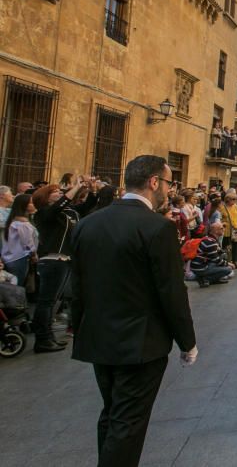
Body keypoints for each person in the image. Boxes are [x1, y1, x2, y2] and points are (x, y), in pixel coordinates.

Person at [70, 155, 197, 467]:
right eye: (168, 182)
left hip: (98, 337)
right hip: (141, 342)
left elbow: (78, 287)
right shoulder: (157, 228)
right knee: (128, 422)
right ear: (154, 182)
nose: (169, 190)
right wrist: (187, 342)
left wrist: (80, 326)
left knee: (112, 413)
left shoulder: (87, 224)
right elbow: (171, 291)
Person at [31, 177, 97, 352]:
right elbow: (60, 205)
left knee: (52, 301)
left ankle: (48, 336)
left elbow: (87, 205)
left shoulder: (68, 212)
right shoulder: (44, 213)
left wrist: (90, 189)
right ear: (44, 197)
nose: (59, 193)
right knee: (47, 301)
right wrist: (75, 187)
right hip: (52, 260)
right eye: (54, 192)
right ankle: (42, 339)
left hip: (65, 260)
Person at [2, 193, 37, 286]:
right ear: (23, 205)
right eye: (31, 203)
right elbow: (28, 243)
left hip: (9, 257)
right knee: (16, 287)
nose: (34, 205)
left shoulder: (13, 221)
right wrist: (34, 255)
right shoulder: (23, 224)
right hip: (19, 258)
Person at [190, 222, 234, 287]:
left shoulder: (209, 238)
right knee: (228, 269)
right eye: (221, 228)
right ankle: (205, 279)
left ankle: (212, 279)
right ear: (216, 231)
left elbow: (217, 255)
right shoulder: (211, 242)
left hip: (199, 265)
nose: (224, 229)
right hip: (200, 268)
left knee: (223, 257)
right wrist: (228, 264)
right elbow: (216, 260)